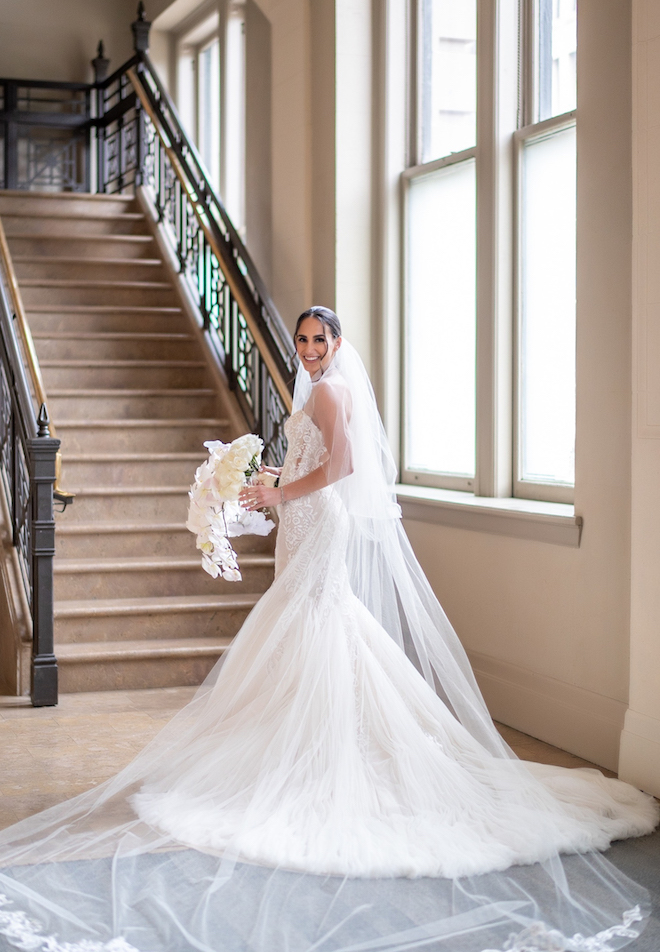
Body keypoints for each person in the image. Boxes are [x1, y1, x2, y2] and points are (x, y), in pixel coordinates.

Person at [0, 306, 657, 952]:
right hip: (305, 519)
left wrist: (281, 494)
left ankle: (320, 761)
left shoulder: (335, 390)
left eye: (321, 339)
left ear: (339, 343)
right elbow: (317, 460)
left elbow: (343, 468)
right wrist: (273, 479)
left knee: (316, 625)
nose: (310, 348)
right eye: (303, 339)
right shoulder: (315, 390)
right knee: (311, 630)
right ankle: (294, 749)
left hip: (318, 523)